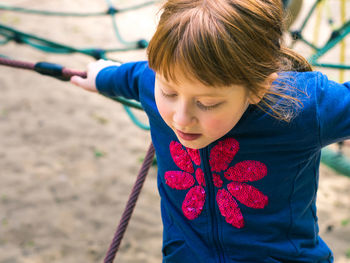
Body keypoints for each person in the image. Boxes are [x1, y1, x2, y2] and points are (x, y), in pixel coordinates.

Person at [71, 0, 349, 262]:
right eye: (168, 92)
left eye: (207, 103)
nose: (181, 118)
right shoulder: (152, 81)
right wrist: (100, 77)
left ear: (258, 88)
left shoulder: (301, 105)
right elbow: (131, 77)